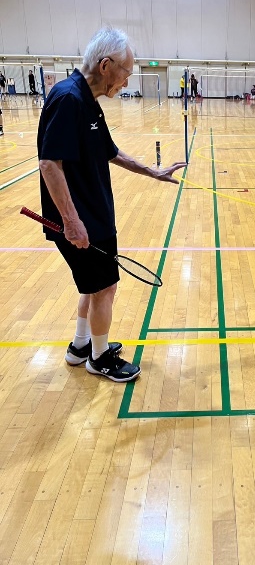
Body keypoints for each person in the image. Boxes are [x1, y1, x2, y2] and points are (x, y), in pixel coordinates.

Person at [37, 26, 187, 382]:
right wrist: (72, 222)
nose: (126, 81)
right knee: (106, 287)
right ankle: (99, 357)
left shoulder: (87, 102)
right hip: (82, 220)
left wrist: (152, 171)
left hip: (92, 215)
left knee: (93, 285)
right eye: (126, 73)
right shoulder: (68, 99)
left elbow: (110, 152)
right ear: (106, 65)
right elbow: (49, 163)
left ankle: (80, 346)